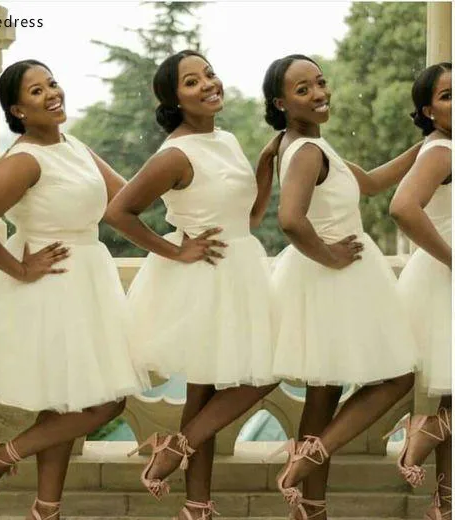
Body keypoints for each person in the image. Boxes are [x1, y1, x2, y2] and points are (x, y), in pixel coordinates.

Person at [0, 59, 148, 520]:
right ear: (17, 110)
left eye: (52, 83)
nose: (51, 93)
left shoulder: (73, 145)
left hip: (87, 283)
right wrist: (17, 268)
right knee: (104, 401)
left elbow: (125, 202)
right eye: (36, 92)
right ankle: (3, 454)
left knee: (64, 404)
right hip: (49, 291)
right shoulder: (25, 159)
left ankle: (46, 509)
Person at [105, 49, 281, 520]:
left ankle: (195, 504)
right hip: (206, 277)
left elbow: (249, 217)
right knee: (261, 375)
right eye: (191, 81)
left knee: (205, 395)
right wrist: (177, 250)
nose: (207, 84)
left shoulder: (225, 138)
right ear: (175, 99)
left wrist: (265, 164)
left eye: (209, 74)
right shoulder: (176, 153)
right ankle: (180, 457)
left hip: (241, 267)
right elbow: (119, 212)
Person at [262, 54, 419, 519]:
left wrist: (429, 144)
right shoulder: (307, 151)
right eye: (304, 89)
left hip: (326, 276)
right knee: (398, 377)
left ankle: (310, 509)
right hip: (335, 273)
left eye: (321, 82)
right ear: (281, 102)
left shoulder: (306, 144)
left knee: (323, 390)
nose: (320, 93)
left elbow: (369, 183)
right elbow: (290, 220)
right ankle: (314, 451)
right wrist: (330, 256)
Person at [389, 62, 452, 520]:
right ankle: (430, 426)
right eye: (447, 95)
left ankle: (445, 503)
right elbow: (402, 207)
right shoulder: (440, 151)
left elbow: (372, 182)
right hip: (445, 279)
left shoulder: (435, 146)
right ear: (428, 110)